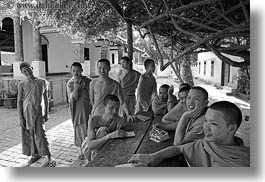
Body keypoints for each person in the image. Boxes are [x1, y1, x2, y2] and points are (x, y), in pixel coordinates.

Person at [129, 101, 250, 167]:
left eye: (213, 124)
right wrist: (152, 156)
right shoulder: (206, 143)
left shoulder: (242, 163)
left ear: (232, 128)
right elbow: (179, 148)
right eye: (206, 121)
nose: (206, 127)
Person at [17, 62, 56, 167]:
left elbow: (46, 98)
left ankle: (49, 156)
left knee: (40, 135)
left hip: (38, 112)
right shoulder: (22, 84)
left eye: (28, 69)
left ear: (32, 68)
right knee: (29, 135)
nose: (27, 72)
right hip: (26, 113)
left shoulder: (42, 82)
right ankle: (35, 154)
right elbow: (20, 101)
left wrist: (46, 113)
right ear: (22, 73)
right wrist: (20, 117)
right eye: (24, 71)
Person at [82, 94, 128, 162]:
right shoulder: (94, 120)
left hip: (108, 151)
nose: (115, 111)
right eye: (111, 108)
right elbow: (90, 145)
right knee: (103, 130)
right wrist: (110, 136)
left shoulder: (119, 120)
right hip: (91, 152)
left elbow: (131, 130)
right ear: (104, 107)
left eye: (117, 108)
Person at [67, 62, 92, 159]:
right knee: (79, 127)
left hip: (87, 107)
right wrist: (76, 88)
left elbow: (92, 94)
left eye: (78, 70)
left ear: (82, 70)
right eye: (73, 70)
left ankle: (88, 148)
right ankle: (82, 149)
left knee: (87, 127)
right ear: (71, 71)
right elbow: (74, 98)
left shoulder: (87, 81)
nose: (76, 72)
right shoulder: (70, 83)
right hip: (76, 109)